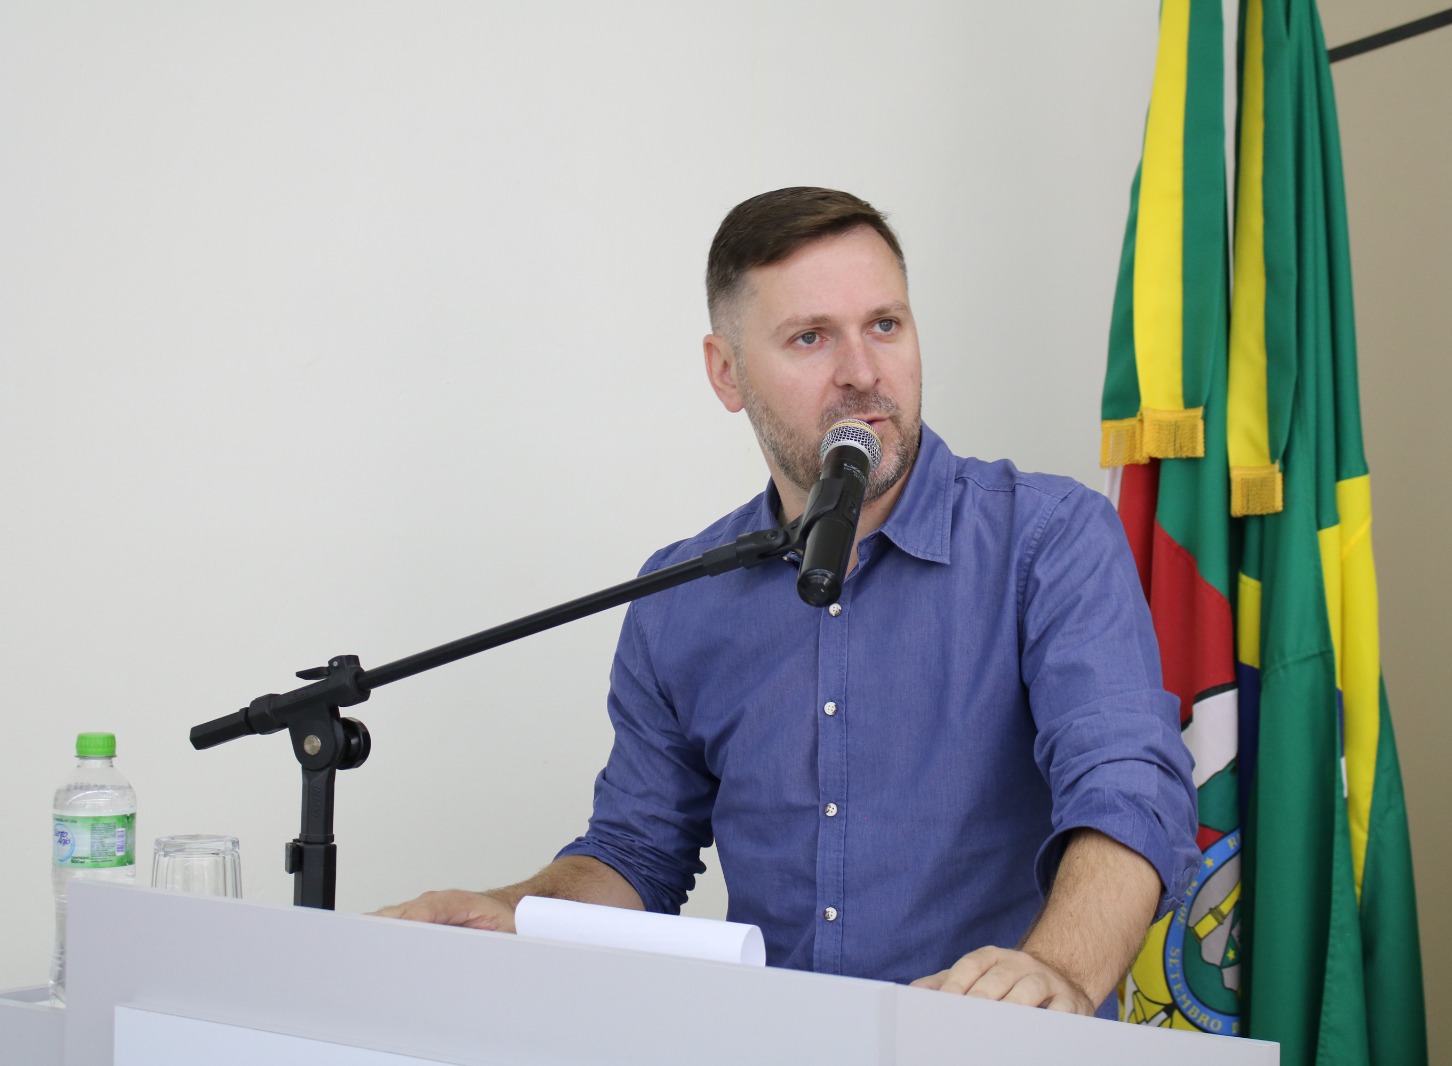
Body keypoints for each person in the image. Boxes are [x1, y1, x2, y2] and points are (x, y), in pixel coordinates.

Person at [376, 187, 1198, 1017]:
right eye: (812, 337)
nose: (864, 373)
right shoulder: (680, 598)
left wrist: (1056, 970)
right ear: (726, 372)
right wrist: (520, 912)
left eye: (886, 325)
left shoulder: (1048, 539)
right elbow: (637, 854)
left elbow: (1127, 788)